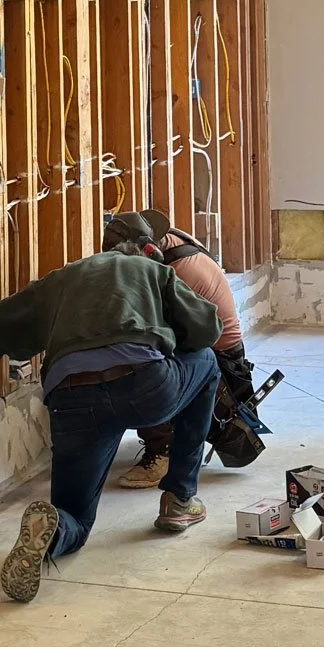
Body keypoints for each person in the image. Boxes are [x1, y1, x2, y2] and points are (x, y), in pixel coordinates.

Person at [0, 244, 224, 602]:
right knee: (207, 362)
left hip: (72, 398)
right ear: (143, 250)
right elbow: (207, 329)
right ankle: (180, 499)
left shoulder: (61, 281)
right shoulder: (153, 271)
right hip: (144, 385)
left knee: (75, 515)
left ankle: (54, 532)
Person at [101, 208, 245, 488]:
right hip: (217, 349)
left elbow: (165, 335)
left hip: (221, 362)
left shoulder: (174, 272)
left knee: (141, 365)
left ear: (149, 248)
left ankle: (162, 453)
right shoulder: (175, 240)